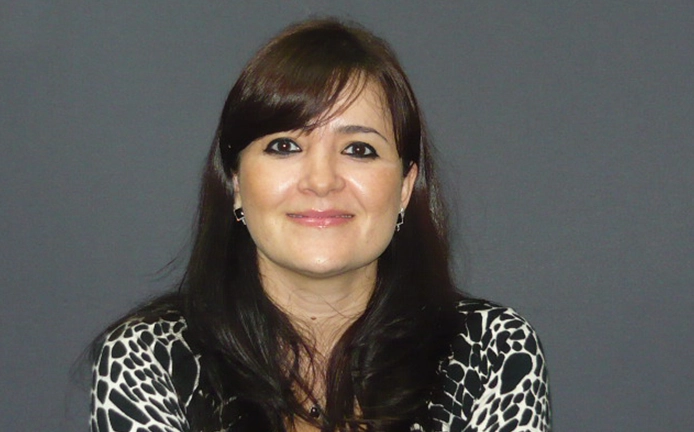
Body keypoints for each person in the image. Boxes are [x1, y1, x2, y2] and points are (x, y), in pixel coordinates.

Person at [90, 18, 551, 432]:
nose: (321, 181)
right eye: (285, 146)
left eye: (359, 150)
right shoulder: (149, 356)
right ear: (235, 181)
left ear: (406, 187)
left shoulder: (491, 350)